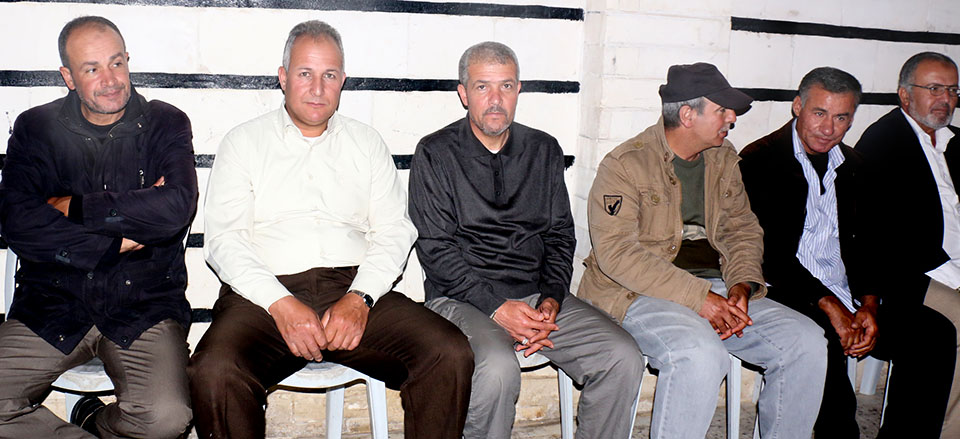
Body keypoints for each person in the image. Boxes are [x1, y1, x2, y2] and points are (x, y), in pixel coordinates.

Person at [187, 20, 473, 439]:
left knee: (448, 352)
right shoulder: (243, 143)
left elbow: (394, 231)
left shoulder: (367, 143)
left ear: (343, 80)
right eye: (305, 73)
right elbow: (225, 241)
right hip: (262, 296)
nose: (318, 88)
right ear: (283, 77)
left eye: (330, 75)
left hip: (352, 287)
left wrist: (361, 298)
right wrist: (281, 304)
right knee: (213, 371)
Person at [578, 62, 828, 438]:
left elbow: (742, 230)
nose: (732, 118)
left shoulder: (722, 158)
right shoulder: (626, 165)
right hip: (637, 293)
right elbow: (618, 254)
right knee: (700, 354)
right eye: (722, 110)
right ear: (687, 115)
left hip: (718, 286)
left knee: (806, 342)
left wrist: (743, 285)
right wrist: (700, 299)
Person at [408, 41, 644, 439]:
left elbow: (559, 236)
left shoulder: (543, 150)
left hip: (536, 298)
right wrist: (498, 308)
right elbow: (435, 250)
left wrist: (552, 299)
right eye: (482, 87)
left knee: (621, 356)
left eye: (506, 86)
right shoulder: (435, 153)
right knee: (498, 369)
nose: (495, 99)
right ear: (464, 93)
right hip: (462, 300)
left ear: (519, 90)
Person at [0, 16, 196, 439]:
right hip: (52, 304)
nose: (110, 80)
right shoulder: (36, 129)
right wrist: (110, 244)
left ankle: (92, 420)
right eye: (92, 69)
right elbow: (18, 223)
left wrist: (74, 206)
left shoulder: (165, 123)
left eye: (116, 63)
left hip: (142, 306)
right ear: (68, 77)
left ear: (128, 61)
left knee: (166, 418)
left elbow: (175, 208)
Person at [740, 67, 957, 438]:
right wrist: (831, 306)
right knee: (824, 347)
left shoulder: (854, 166)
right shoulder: (760, 161)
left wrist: (870, 304)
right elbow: (770, 257)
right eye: (819, 113)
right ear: (797, 107)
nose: (829, 128)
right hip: (789, 293)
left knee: (932, 334)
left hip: (847, 294)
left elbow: (869, 246)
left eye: (841, 118)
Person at [856, 51, 960, 438]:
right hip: (907, 278)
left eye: (952, 90)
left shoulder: (955, 142)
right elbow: (889, 238)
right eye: (933, 88)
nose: (945, 99)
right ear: (904, 94)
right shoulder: (884, 143)